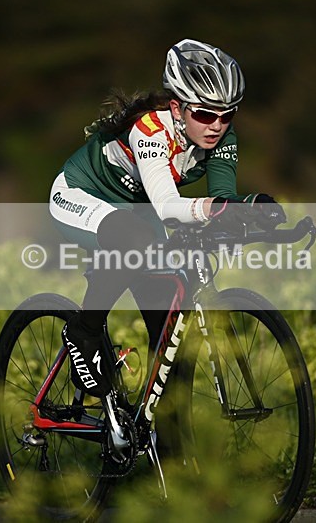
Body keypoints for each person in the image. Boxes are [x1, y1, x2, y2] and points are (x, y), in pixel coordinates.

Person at [48, 39, 286, 400]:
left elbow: (219, 199)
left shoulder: (221, 138)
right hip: (83, 195)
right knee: (136, 241)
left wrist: (252, 209)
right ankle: (84, 330)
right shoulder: (151, 131)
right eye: (205, 114)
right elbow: (168, 206)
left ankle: (165, 441)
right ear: (177, 108)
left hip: (138, 210)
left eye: (227, 115)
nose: (217, 126)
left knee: (170, 331)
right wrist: (217, 210)